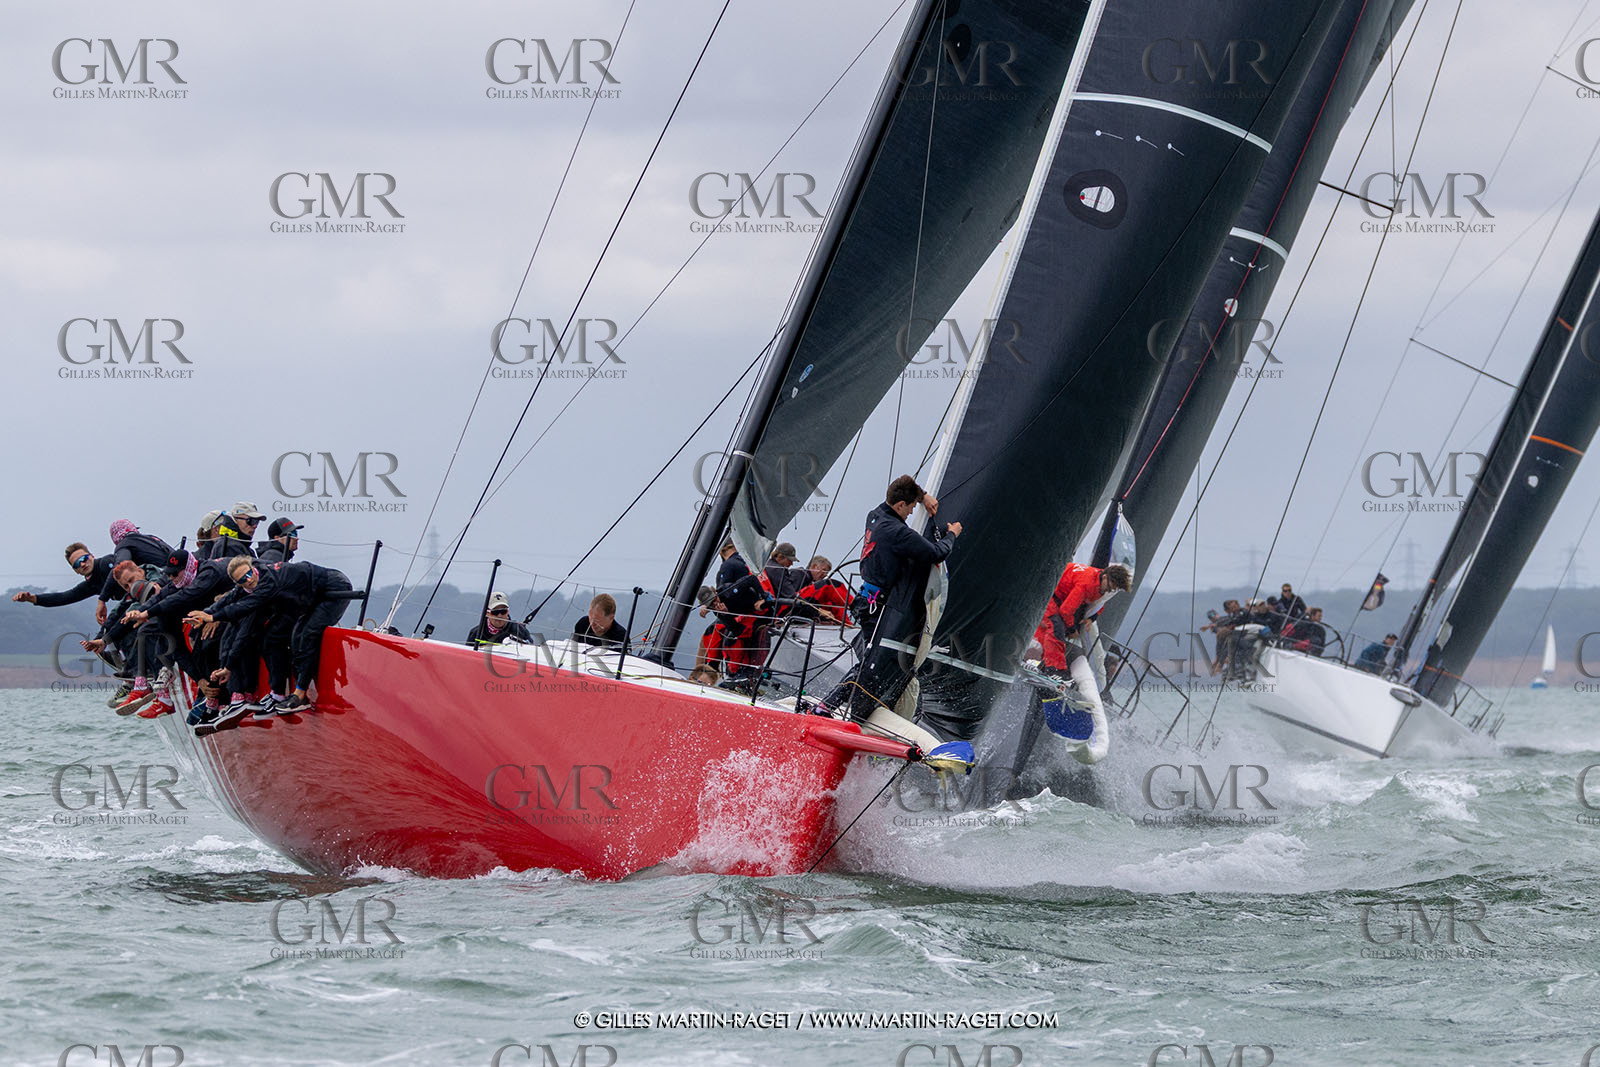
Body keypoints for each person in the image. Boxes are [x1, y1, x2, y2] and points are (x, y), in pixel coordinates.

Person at [823, 475, 961, 720]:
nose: (910, 514)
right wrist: (952, 535)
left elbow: (904, 488)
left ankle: (844, 710)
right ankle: (828, 707)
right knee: (869, 666)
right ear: (899, 505)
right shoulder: (897, 532)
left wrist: (922, 497)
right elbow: (936, 553)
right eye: (908, 508)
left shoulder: (875, 515)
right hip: (875, 607)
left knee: (869, 664)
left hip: (866, 601)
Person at [191, 557, 353, 714]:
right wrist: (205, 613)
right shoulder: (250, 583)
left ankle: (300, 695)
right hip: (309, 596)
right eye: (242, 580)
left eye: (249, 574)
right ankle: (277, 694)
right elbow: (232, 597)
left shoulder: (268, 583)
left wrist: (213, 618)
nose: (248, 580)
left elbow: (245, 606)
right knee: (273, 637)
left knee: (307, 635)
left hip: (334, 588)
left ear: (253, 569)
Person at [96, 520, 173, 627]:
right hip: (175, 578)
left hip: (159, 583)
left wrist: (102, 599)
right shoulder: (152, 538)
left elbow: (119, 565)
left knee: (129, 615)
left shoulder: (124, 545)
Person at [12, 542, 113, 610]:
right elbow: (63, 598)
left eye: (84, 559)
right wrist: (31, 598)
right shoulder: (91, 584)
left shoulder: (106, 562)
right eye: (77, 564)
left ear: (92, 556)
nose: (82, 564)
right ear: (75, 570)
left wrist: (101, 600)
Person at [794, 555, 852, 625]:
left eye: (827, 572)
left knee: (832, 603)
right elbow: (793, 597)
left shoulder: (811, 581)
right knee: (828, 585)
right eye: (824, 570)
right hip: (794, 608)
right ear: (814, 567)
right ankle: (854, 604)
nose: (825, 574)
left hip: (806, 608)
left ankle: (846, 625)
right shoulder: (799, 574)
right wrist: (819, 611)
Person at [757, 543, 806, 617]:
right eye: (789, 560)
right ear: (780, 556)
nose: (791, 564)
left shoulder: (766, 564)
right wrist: (817, 610)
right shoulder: (779, 570)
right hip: (770, 610)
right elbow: (790, 595)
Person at [467, 592, 533, 647]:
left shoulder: (520, 630)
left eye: (503, 611)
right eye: (495, 612)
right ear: (487, 613)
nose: (500, 615)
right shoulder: (475, 633)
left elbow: (530, 652)